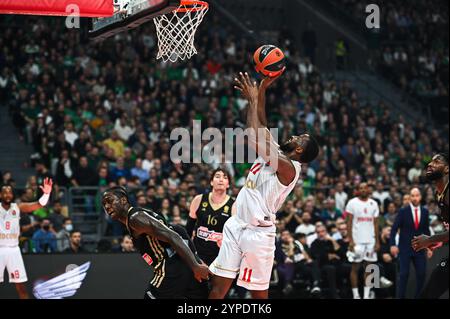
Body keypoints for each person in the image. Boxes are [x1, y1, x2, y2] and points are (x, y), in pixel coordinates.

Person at [208, 72, 320, 299]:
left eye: (300, 138)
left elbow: (252, 134)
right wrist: (262, 89)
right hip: (236, 225)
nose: (295, 136)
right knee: (218, 289)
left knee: (259, 296)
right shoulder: (279, 151)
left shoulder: (289, 167)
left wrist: (252, 99)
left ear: (299, 150)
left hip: (259, 234)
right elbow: (261, 124)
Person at [102, 186, 209, 299]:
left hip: (171, 267)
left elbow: (173, 235)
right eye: (104, 204)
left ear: (123, 200)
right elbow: (178, 229)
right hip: (181, 263)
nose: (107, 206)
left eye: (109, 201)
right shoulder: (137, 217)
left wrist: (195, 265)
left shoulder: (135, 218)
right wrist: (195, 258)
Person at [0, 178, 53, 299]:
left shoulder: (18, 207)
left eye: (10, 192)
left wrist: (46, 194)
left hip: (14, 250)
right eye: (4, 192)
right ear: (0, 194)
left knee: (20, 286)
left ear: (13, 195)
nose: (7, 194)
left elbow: (39, 205)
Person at [412, 153, 449, 298]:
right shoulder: (438, 193)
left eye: (436, 161)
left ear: (446, 169)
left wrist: (430, 239)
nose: (430, 164)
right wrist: (439, 241)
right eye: (430, 161)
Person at [187, 168, 236, 265]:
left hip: (220, 256)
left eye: (225, 177)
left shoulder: (234, 205)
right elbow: (188, 229)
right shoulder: (199, 199)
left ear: (228, 184)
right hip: (198, 255)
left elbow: (235, 234)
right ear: (211, 182)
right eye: (217, 176)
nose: (221, 179)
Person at [390, 188, 430, 298]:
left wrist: (429, 247)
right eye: (412, 196)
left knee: (422, 274)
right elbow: (394, 229)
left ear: (420, 197)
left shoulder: (425, 212)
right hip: (405, 249)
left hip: (419, 249)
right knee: (403, 275)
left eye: (417, 195)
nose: (415, 198)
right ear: (410, 197)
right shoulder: (403, 211)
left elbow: (426, 231)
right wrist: (393, 244)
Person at [346, 182, 380, 299]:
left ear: (368, 190)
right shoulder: (352, 203)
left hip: (370, 240)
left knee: (370, 268)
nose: (363, 190)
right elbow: (348, 223)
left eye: (365, 188)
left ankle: (366, 295)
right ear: (358, 190)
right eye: (361, 188)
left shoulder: (374, 203)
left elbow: (376, 224)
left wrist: (377, 241)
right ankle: (356, 295)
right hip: (357, 241)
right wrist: (350, 240)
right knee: (355, 268)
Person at [310, 224, 341, 298]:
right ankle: (334, 294)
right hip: (322, 266)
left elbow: (340, 253)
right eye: (318, 232)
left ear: (326, 232)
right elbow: (316, 256)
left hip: (336, 263)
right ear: (316, 233)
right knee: (330, 268)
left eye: (323, 231)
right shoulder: (314, 243)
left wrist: (332, 240)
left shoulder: (331, 241)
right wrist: (329, 256)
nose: (321, 234)